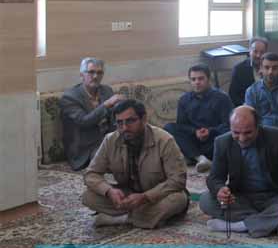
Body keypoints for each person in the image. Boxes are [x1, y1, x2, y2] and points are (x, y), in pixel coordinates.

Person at [199, 106, 278, 238]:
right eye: (236, 133)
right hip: (241, 197)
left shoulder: (277, 137)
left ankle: (240, 226)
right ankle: (267, 222)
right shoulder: (222, 142)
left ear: (258, 127)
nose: (242, 138)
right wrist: (220, 189)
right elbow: (214, 177)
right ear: (230, 127)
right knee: (206, 200)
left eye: (248, 133)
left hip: (274, 196)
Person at [82, 100, 188, 228]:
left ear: (144, 119)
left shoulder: (164, 140)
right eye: (119, 123)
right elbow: (91, 174)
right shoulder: (110, 140)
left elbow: (178, 180)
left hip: (156, 196)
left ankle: (122, 219)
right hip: (128, 195)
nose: (125, 128)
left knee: (179, 199)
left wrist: (145, 197)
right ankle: (146, 218)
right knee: (89, 196)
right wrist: (109, 191)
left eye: (130, 121)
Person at [60, 57, 126, 170]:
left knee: (135, 147)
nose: (95, 76)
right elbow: (84, 121)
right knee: (115, 160)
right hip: (86, 148)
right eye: (91, 72)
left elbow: (114, 117)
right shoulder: (69, 97)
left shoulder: (106, 90)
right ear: (81, 75)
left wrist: (121, 107)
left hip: (109, 140)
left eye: (99, 73)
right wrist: (106, 104)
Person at [164, 64, 233, 173]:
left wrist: (210, 131)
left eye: (201, 79)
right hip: (194, 139)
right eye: (193, 79)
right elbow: (181, 125)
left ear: (208, 79)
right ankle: (200, 158)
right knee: (169, 127)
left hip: (214, 139)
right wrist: (195, 132)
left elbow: (228, 124)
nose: (197, 82)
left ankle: (193, 156)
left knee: (230, 134)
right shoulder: (184, 100)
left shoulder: (222, 98)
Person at [228, 37, 268, 107]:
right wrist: (246, 107)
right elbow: (233, 95)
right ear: (250, 51)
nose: (258, 55)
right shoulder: (239, 69)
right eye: (255, 51)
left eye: (262, 52)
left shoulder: (272, 67)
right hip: (247, 107)